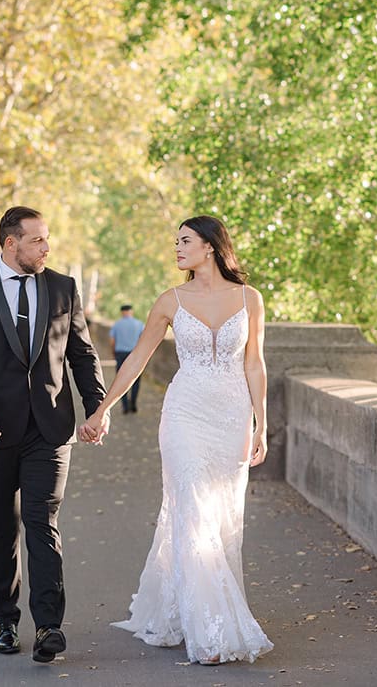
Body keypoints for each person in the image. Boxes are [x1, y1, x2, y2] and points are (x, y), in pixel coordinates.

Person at [79, 215, 274, 666]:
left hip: (231, 416)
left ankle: (194, 607)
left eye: (185, 241)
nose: (177, 249)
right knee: (191, 510)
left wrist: (262, 424)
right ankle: (210, 631)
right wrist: (102, 408)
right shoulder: (170, 301)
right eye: (176, 242)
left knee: (222, 518)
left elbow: (255, 365)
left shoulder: (250, 299)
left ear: (209, 246)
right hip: (184, 415)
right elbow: (136, 362)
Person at [0, 206, 108, 664]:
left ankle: (50, 627)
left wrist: (96, 406)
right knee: (2, 528)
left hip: (50, 430)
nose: (46, 247)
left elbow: (82, 353)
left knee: (42, 521)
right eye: (37, 240)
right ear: (10, 244)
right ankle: (5, 621)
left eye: (47, 239)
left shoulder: (63, 288)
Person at [109, 304, 145, 413]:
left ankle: (125, 406)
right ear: (131, 311)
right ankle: (133, 404)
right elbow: (143, 340)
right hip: (135, 354)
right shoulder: (139, 324)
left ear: (122, 312)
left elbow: (112, 341)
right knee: (136, 380)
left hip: (120, 354)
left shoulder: (117, 325)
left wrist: (113, 352)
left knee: (121, 380)